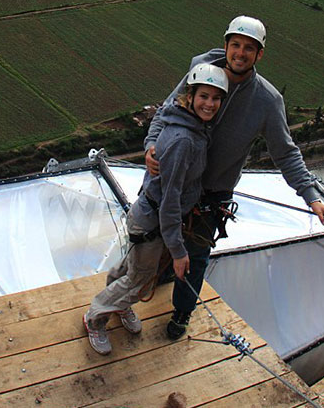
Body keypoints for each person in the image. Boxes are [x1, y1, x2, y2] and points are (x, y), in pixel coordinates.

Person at [144, 15, 324, 339]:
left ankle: (181, 313)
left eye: (249, 48)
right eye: (235, 45)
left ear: (259, 55)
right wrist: (152, 145)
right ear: (226, 45)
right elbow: (168, 111)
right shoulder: (202, 71)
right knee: (151, 238)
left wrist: (312, 196)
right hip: (171, 176)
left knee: (195, 256)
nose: (240, 53)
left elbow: (285, 152)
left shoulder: (266, 101)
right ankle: (155, 279)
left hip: (211, 192)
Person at [83, 63, 229, 355]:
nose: (210, 104)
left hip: (146, 217)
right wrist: (177, 251)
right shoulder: (184, 140)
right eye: (204, 96)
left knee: (131, 267)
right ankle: (95, 318)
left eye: (216, 98)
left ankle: (118, 305)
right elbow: (171, 199)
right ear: (191, 96)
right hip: (153, 221)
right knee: (139, 280)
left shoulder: (190, 126)